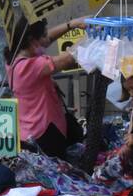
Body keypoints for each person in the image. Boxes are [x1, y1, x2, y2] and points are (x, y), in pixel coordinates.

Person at [5, 15, 87, 159]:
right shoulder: (29, 66)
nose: (46, 39)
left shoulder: (14, 59)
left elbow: (47, 38)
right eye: (43, 35)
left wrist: (72, 24)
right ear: (31, 40)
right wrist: (96, 36)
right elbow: (68, 59)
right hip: (45, 135)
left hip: (29, 132)